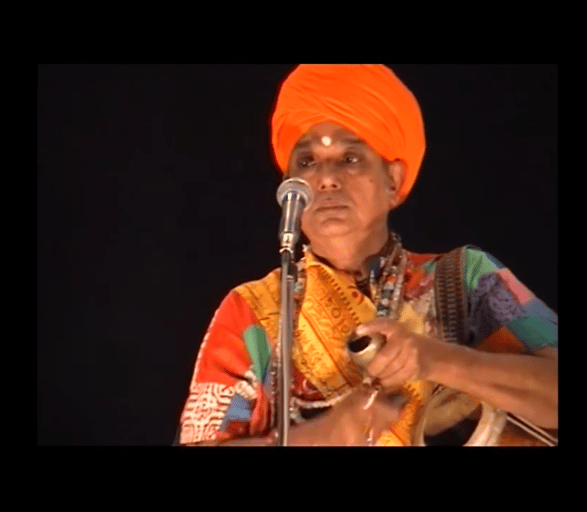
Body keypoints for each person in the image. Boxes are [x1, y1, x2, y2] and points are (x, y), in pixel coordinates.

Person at [177, 64, 557, 446]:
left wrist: (438, 360)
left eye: (350, 158)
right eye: (307, 162)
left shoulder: (463, 279)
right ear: (289, 188)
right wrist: (327, 433)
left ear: (393, 181)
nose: (327, 178)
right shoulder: (252, 313)